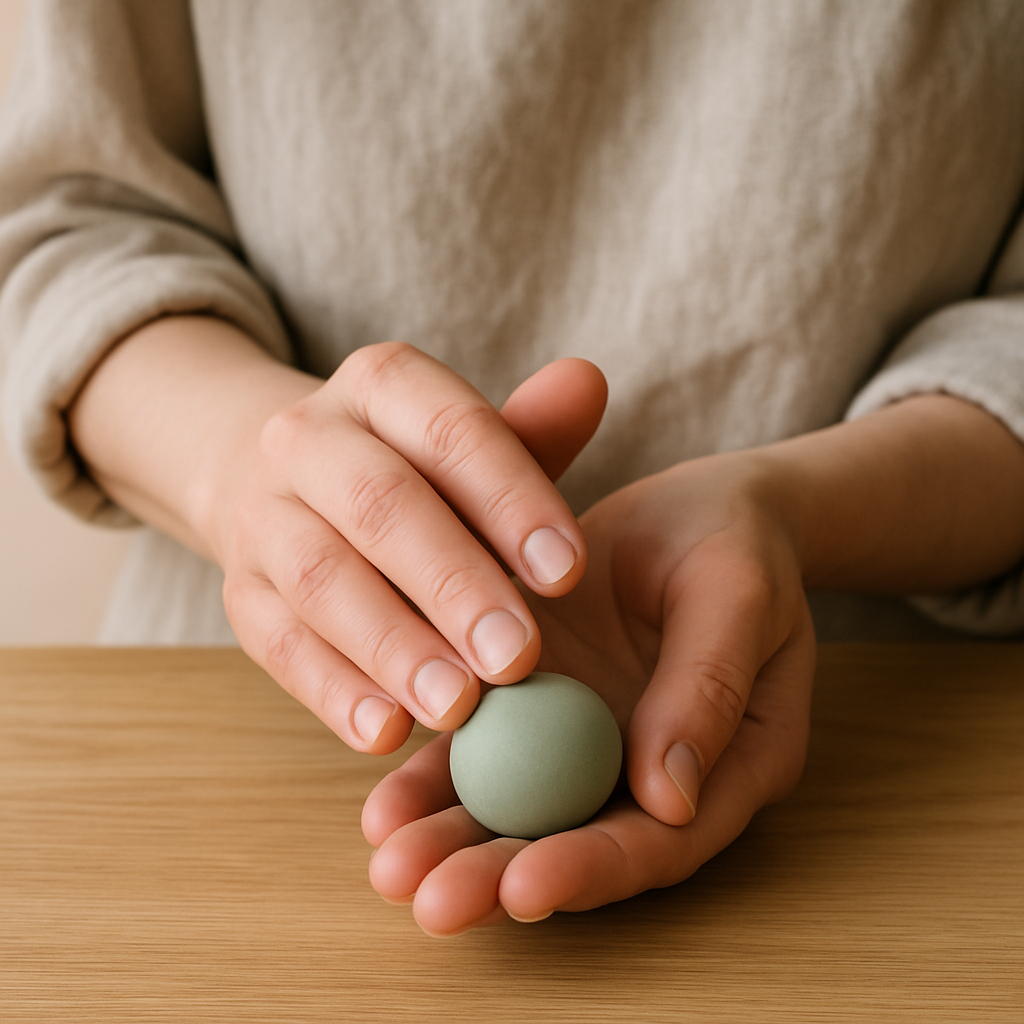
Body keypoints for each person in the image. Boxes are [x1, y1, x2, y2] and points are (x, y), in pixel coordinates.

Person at [3, 1, 1024, 936]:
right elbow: (70, 219)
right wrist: (246, 466)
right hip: (205, 757)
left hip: (900, 781)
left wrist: (796, 510)